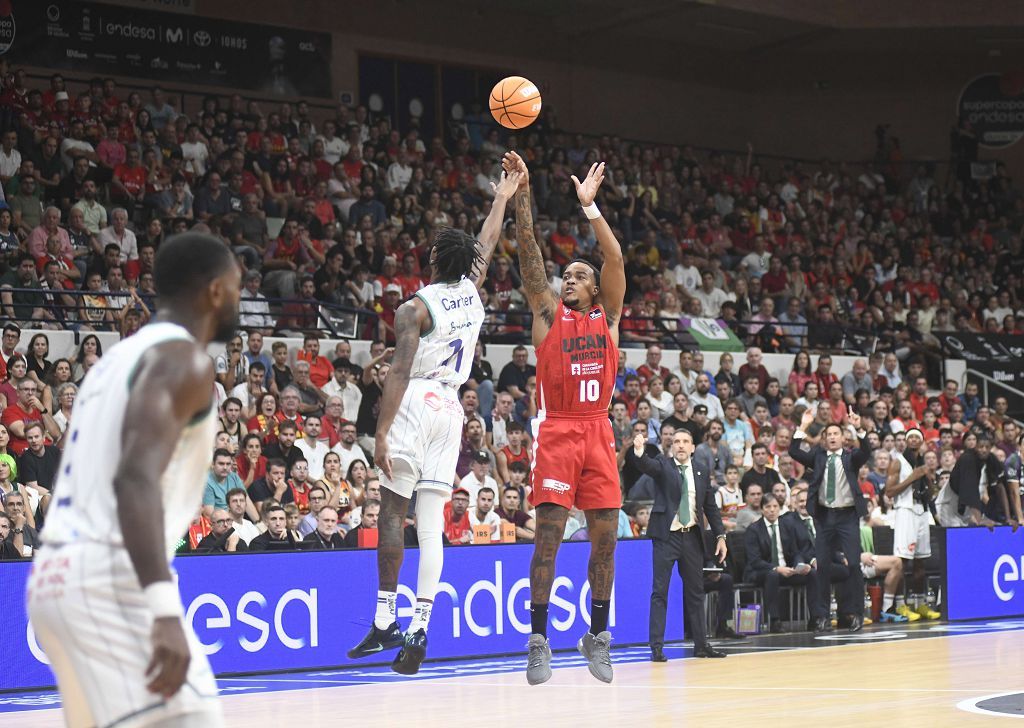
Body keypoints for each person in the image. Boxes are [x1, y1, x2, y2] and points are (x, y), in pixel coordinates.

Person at [28, 232, 239, 727]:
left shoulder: (113, 364)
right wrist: (164, 608)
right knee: (196, 717)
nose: (238, 298)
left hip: (55, 575)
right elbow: (134, 478)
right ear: (213, 291)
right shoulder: (183, 361)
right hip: (109, 579)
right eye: (235, 286)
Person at [348, 167, 520, 675]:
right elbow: (487, 242)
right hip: (453, 407)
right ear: (467, 264)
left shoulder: (413, 309)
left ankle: (385, 619)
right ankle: (420, 627)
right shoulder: (472, 291)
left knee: (390, 512)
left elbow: (398, 372)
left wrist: (381, 432)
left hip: (416, 401)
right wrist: (502, 199)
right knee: (430, 526)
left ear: (431, 260)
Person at [505, 152, 626, 686]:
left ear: (595, 289)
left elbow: (616, 259)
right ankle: (538, 640)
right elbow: (529, 253)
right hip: (558, 431)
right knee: (548, 539)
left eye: (580, 275)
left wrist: (590, 207)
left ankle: (596, 636)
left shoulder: (610, 317)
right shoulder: (548, 316)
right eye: (566, 275)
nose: (569, 279)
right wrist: (523, 192)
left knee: (605, 540)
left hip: (598, 430)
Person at [626, 430, 727, 661]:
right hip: (666, 536)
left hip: (692, 536)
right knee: (659, 592)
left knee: (695, 592)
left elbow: (710, 506)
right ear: (671, 447)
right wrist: (640, 451)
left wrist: (721, 536)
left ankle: (701, 645)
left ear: (693, 447)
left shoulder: (701, 471)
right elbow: (646, 466)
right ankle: (657, 648)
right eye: (676, 442)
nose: (680, 446)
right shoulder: (663, 465)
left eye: (685, 442)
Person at [789, 409, 873, 632]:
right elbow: (793, 451)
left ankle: (856, 614)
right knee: (823, 567)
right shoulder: (817, 458)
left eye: (837, 433)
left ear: (843, 437)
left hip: (847, 516)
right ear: (824, 439)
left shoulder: (850, 457)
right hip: (825, 516)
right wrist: (804, 426)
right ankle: (822, 616)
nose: (833, 437)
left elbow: (866, 452)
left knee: (854, 565)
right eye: (829, 434)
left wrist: (859, 428)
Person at [743, 493, 823, 633]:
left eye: (775, 506)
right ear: (762, 509)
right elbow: (755, 561)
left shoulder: (786, 526)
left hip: (787, 570)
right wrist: (776, 568)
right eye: (768, 507)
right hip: (761, 571)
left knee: (812, 573)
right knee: (772, 575)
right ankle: (775, 621)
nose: (772, 510)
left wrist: (800, 565)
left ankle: (815, 618)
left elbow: (795, 551)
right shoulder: (754, 530)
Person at [885, 428, 941, 620]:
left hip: (922, 511)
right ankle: (900, 605)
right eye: (911, 437)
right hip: (905, 511)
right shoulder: (897, 462)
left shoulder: (923, 462)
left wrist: (928, 480)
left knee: (920, 562)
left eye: (918, 437)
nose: (914, 439)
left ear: (923, 441)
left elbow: (931, 491)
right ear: (907, 441)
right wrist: (912, 478)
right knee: (902, 560)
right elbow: (889, 492)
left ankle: (920, 603)